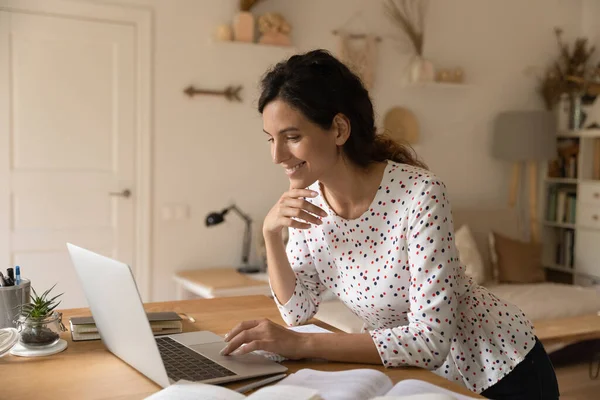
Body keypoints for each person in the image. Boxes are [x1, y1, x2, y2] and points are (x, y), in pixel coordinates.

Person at [220, 49, 560, 399]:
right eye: (270, 139)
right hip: (417, 378)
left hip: (501, 371)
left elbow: (430, 341)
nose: (277, 156)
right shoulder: (307, 203)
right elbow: (298, 312)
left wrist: (301, 343)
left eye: (291, 137)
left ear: (338, 129)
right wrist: (271, 234)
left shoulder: (420, 194)